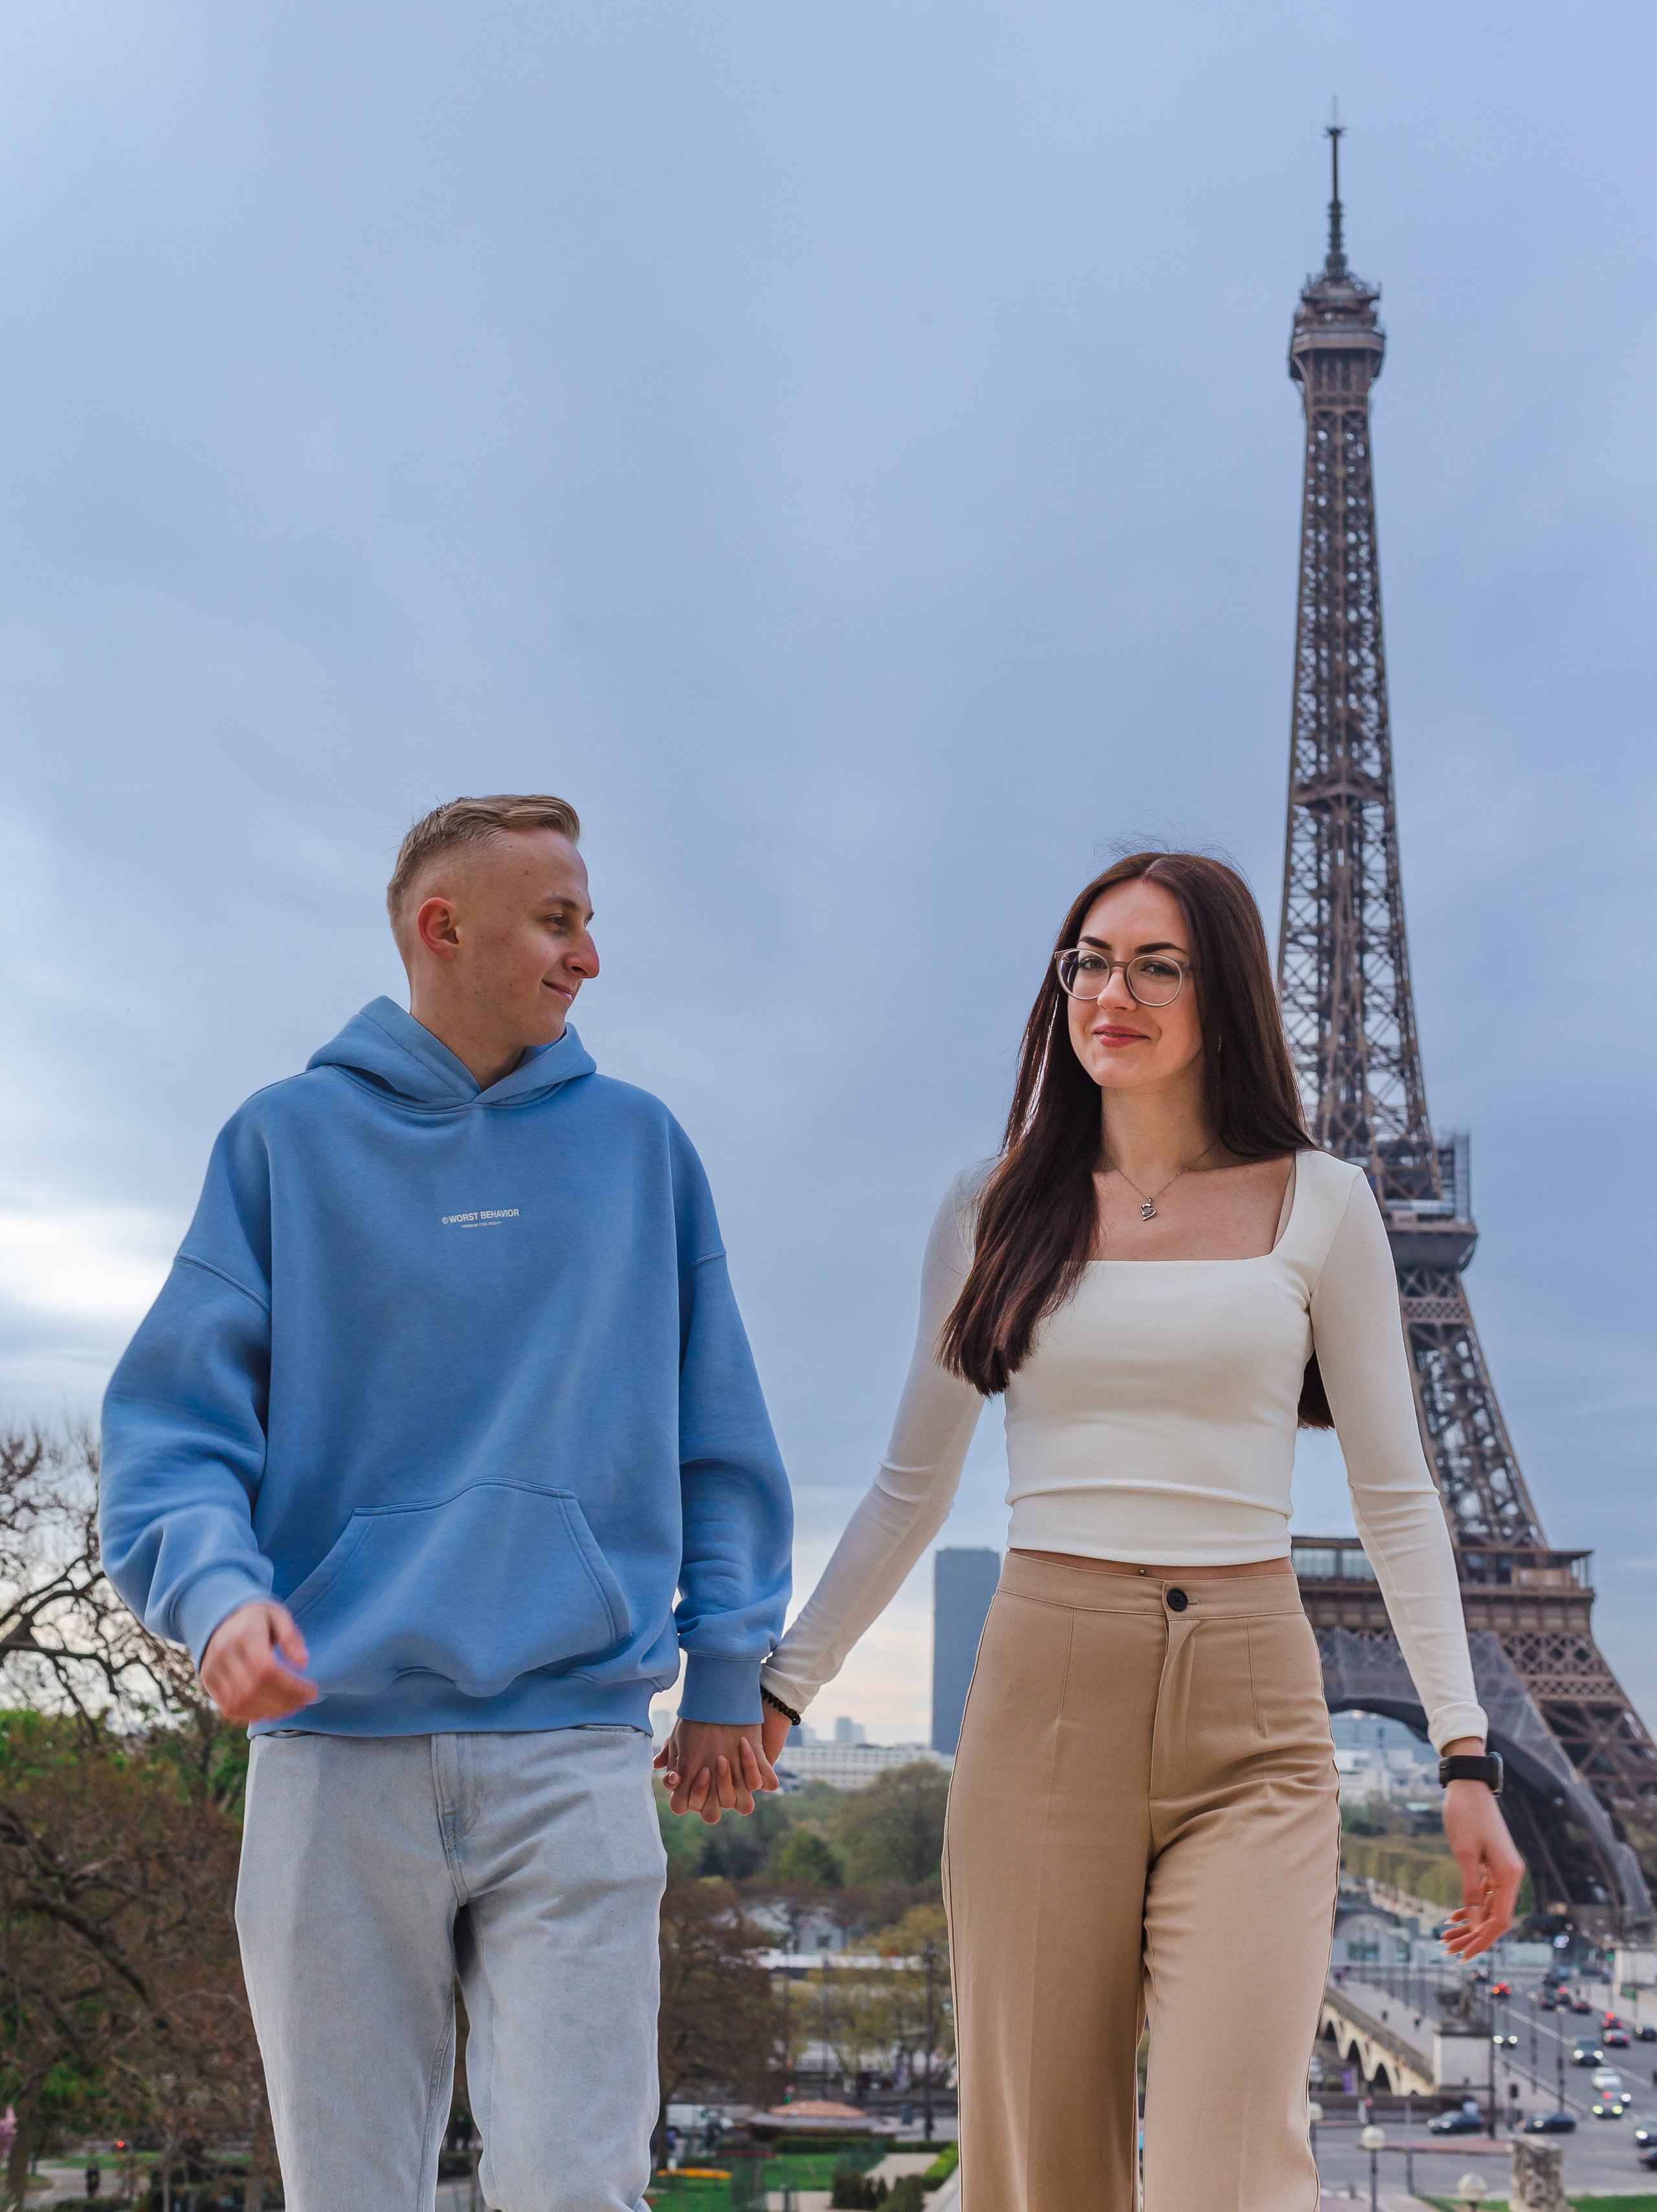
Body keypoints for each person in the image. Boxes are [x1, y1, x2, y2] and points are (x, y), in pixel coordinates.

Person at [757, 850, 1524, 2212]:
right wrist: (783, 1686)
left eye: (1153, 964)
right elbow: (907, 1485)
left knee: (1227, 2171)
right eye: (1087, 961)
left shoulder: (1323, 1201)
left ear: (1220, 998)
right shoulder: (989, 1208)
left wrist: (1463, 1752)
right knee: (1038, 2174)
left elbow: (1398, 1493)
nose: (1111, 990)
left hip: (1254, 1705)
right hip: (1044, 1694)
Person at [100, 793, 791, 2212]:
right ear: (442, 926)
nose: (588, 955)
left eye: (587, 920)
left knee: (574, 2189)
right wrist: (220, 1600)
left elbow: (718, 1435)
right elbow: (172, 1432)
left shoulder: (642, 1150)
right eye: (558, 919)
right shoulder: (282, 1143)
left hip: (576, 1747)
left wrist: (728, 1660)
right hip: (333, 1754)